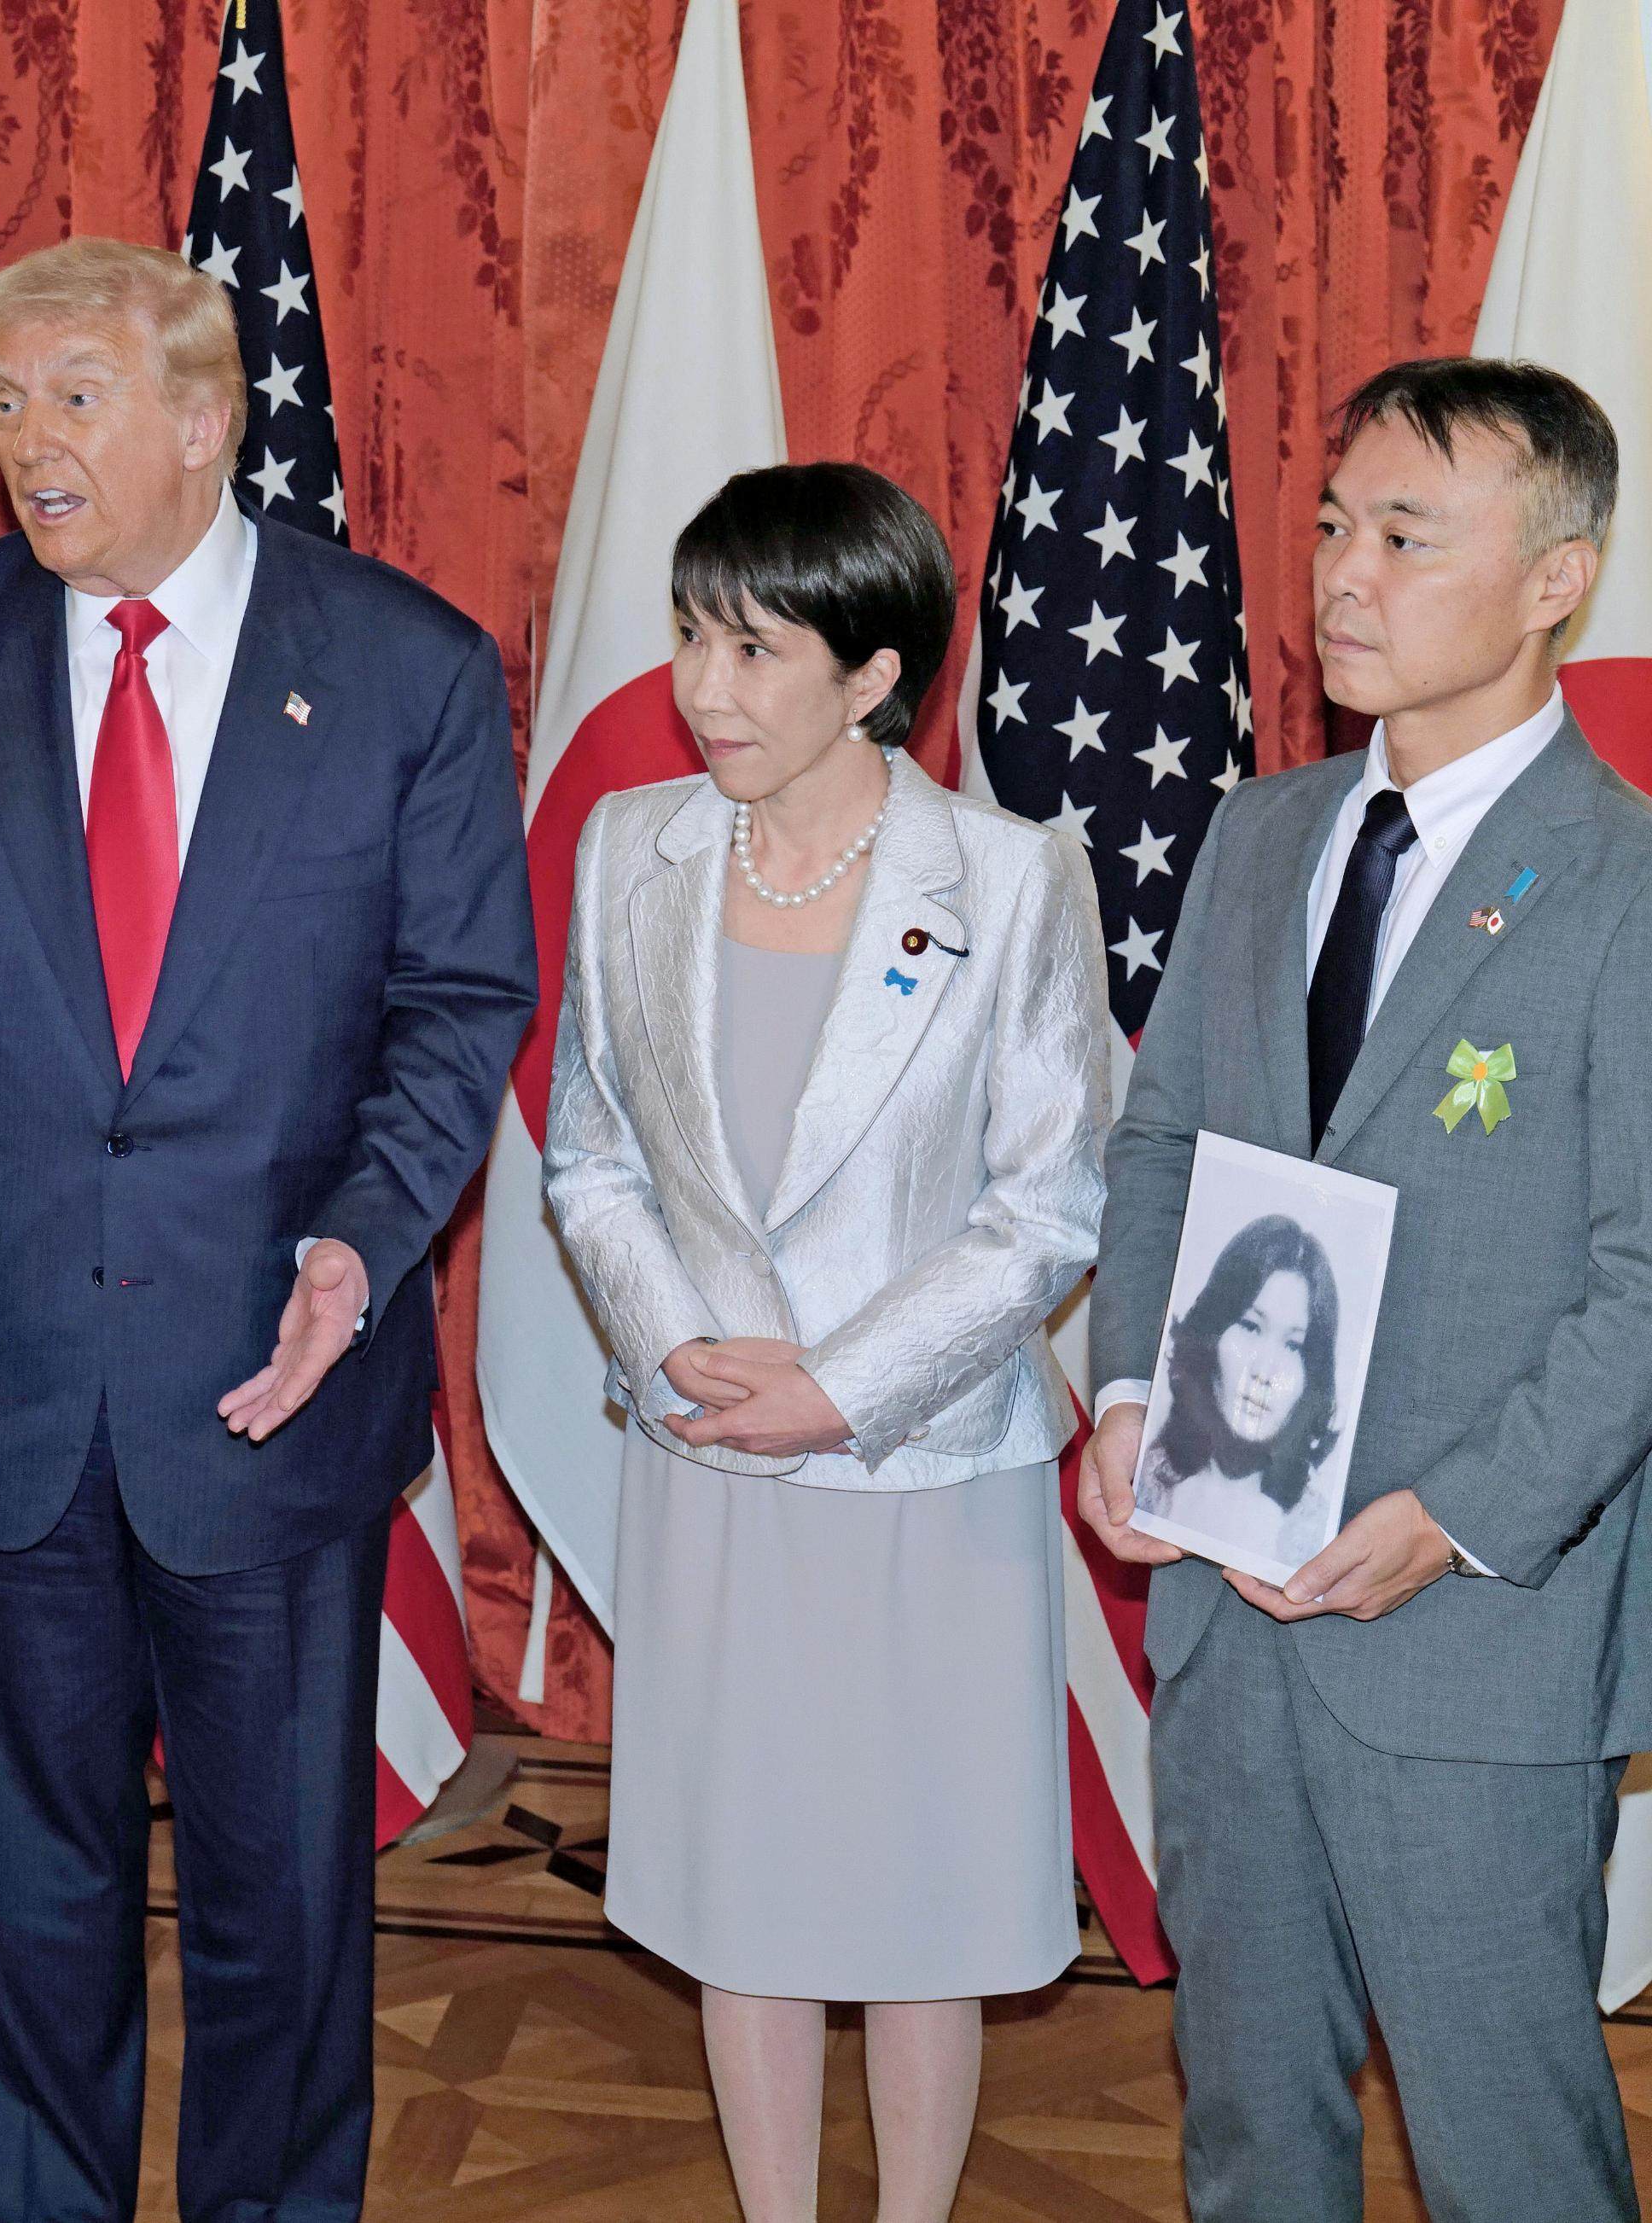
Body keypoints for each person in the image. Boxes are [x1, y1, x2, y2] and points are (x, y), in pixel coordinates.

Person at [0, 236, 535, 2223]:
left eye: (70, 400)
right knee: (23, 1903)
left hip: (264, 1391)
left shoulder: (404, 669)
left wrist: (363, 1245)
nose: (25, 445)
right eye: (2, 404)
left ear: (201, 422)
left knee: (283, 1920)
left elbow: (455, 1009)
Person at [1080, 358, 1652, 2223]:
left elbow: (1643, 1282)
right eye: (1334, 521)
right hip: (1230, 1627)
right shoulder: (1262, 834)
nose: (1340, 570)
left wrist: (1454, 1525)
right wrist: (1121, 1399)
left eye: (1407, 534)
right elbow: (1160, 1146)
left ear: (1555, 577)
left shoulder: (1628, 883)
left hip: (1469, 1637)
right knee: (1249, 2133)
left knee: (1508, 2151)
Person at [540, 462, 1107, 2222]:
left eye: (754, 649)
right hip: (709, 1452)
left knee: (921, 1895)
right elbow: (588, 1145)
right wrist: (688, 1349)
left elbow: (1047, 1204)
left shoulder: (1008, 881)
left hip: (921, 1472)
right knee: (746, 1883)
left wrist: (841, 1385)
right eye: (693, 638)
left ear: (871, 675)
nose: (704, 688)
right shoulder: (629, 845)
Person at [1132, 1216, 1347, 1576]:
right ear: (1212, 1332)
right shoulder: (1144, 1483)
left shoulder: (1317, 1533)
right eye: (1250, 1326)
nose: (1265, 1371)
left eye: (1295, 1346)